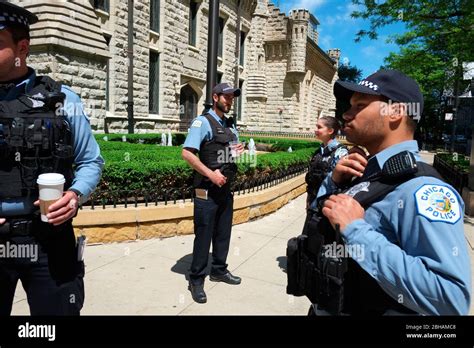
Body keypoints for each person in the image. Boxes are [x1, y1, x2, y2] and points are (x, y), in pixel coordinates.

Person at [289, 69, 471, 315]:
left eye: (360, 105)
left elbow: (451, 298)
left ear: (395, 112)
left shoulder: (425, 190)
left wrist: (357, 232)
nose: (346, 113)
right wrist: (333, 182)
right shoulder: (365, 171)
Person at [0, 2, 104, 315]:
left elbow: (90, 162)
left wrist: (74, 195)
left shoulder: (63, 100)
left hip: (49, 239)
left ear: (22, 47)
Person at [182, 82, 244, 304]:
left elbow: (227, 152)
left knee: (223, 234)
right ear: (215, 97)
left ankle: (219, 269)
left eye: (232, 98)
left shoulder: (229, 124)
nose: (230, 101)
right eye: (226, 97)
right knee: (204, 235)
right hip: (206, 190)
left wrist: (235, 152)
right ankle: (196, 279)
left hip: (225, 189)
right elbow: (187, 154)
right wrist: (211, 174)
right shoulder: (202, 122)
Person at [305, 116, 348, 208]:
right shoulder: (318, 152)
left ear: (330, 131)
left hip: (328, 205)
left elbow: (339, 182)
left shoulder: (341, 153)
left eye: (319, 127)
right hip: (313, 203)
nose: (315, 130)